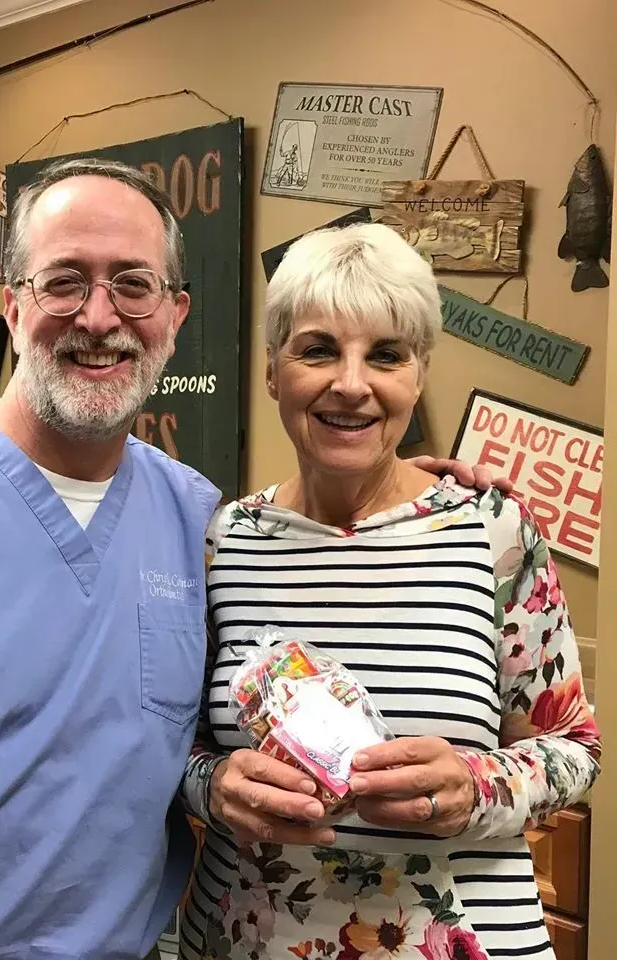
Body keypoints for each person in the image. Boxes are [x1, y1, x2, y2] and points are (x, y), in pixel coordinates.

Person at [0, 160, 503, 960]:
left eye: (133, 285)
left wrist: (401, 487)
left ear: (174, 314)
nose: (98, 316)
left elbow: (191, 742)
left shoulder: (195, 519)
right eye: (64, 280)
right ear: (13, 306)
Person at [179, 223, 600, 960]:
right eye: (316, 349)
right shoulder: (225, 544)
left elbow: (576, 748)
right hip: (244, 940)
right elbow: (174, 748)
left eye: (385, 354)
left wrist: (478, 785)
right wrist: (214, 789)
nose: (350, 383)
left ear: (418, 373)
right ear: (274, 371)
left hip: (460, 938)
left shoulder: (493, 530)